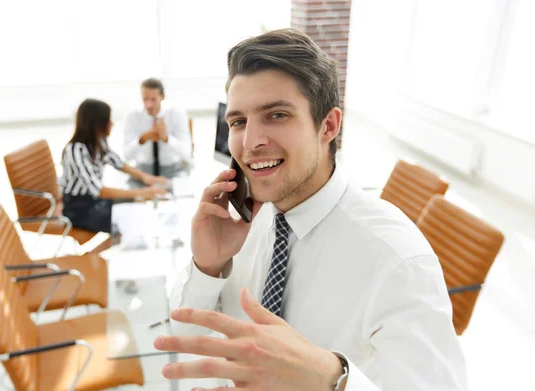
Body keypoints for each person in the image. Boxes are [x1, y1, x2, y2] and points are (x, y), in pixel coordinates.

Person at [153, 29, 467, 390]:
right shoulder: (247, 219)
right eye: (238, 122)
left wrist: (333, 380)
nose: (250, 143)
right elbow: (188, 331)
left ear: (328, 126)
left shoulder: (398, 261)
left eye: (276, 115)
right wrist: (207, 266)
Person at [61, 98, 168, 235]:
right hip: (79, 209)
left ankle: (91, 255)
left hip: (95, 201)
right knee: (129, 223)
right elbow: (99, 190)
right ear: (97, 124)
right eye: (108, 120)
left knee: (137, 207)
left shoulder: (98, 142)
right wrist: (143, 192)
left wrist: (148, 178)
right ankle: (91, 255)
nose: (112, 124)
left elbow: (118, 163)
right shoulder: (75, 151)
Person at [123, 78, 192, 177]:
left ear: (162, 97)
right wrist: (141, 140)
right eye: (145, 99)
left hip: (174, 169)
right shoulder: (132, 116)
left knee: (183, 190)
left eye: (153, 99)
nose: (149, 105)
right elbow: (127, 156)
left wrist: (166, 138)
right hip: (143, 171)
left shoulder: (176, 114)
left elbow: (186, 153)